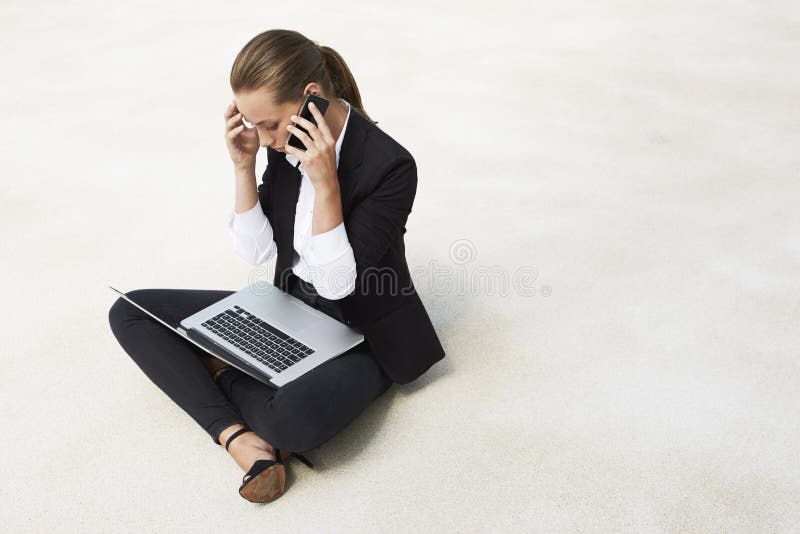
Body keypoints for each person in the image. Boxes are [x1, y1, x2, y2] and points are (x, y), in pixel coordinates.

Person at [108, 29, 445, 503]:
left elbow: (335, 285)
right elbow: (258, 254)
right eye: (253, 125)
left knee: (294, 421)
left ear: (310, 98)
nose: (264, 138)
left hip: (359, 334)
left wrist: (325, 181)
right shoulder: (278, 144)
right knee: (130, 311)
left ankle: (221, 371)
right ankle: (240, 439)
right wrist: (243, 168)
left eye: (268, 125)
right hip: (287, 312)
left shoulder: (390, 166)